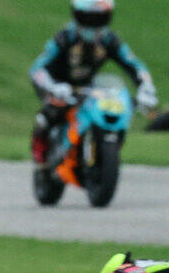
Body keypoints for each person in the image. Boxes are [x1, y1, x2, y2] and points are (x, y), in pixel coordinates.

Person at [28, 0, 156, 165]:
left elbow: (133, 64)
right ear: (77, 16)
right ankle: (41, 155)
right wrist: (52, 85)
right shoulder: (65, 37)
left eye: (99, 19)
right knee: (52, 111)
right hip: (59, 86)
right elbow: (37, 69)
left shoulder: (109, 40)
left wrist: (146, 87)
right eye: (89, 19)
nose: (94, 25)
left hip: (88, 88)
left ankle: (98, 150)